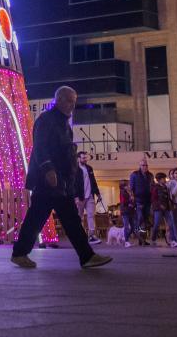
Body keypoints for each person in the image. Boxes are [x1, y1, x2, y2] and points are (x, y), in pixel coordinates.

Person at [9, 85, 110, 269]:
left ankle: (86, 256)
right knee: (39, 218)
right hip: (50, 181)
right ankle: (20, 253)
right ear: (60, 100)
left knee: (64, 219)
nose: (73, 105)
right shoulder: (47, 120)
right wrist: (49, 170)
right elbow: (41, 148)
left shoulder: (62, 122)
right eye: (70, 101)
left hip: (61, 182)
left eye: (74, 101)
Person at [75, 152, 102, 244]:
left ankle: (92, 235)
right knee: (79, 217)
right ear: (78, 158)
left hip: (90, 195)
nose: (85, 160)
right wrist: (76, 197)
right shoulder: (75, 169)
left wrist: (98, 194)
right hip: (80, 196)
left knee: (91, 215)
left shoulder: (89, 168)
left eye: (85, 158)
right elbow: (73, 184)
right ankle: (80, 236)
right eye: (83, 158)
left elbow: (93, 181)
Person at [126, 158, 154, 245]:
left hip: (148, 201)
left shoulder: (150, 175)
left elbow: (152, 187)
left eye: (146, 165)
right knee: (140, 219)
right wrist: (132, 196)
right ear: (140, 166)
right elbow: (131, 187)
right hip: (138, 200)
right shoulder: (134, 174)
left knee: (145, 220)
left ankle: (143, 239)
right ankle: (137, 235)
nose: (145, 167)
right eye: (143, 165)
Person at [152, 171, 176, 246]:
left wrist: (171, 204)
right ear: (159, 179)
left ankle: (172, 240)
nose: (165, 180)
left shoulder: (166, 187)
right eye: (163, 178)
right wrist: (160, 205)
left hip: (167, 209)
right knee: (156, 224)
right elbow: (153, 199)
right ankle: (153, 239)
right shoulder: (155, 187)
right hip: (158, 209)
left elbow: (168, 197)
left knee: (171, 224)